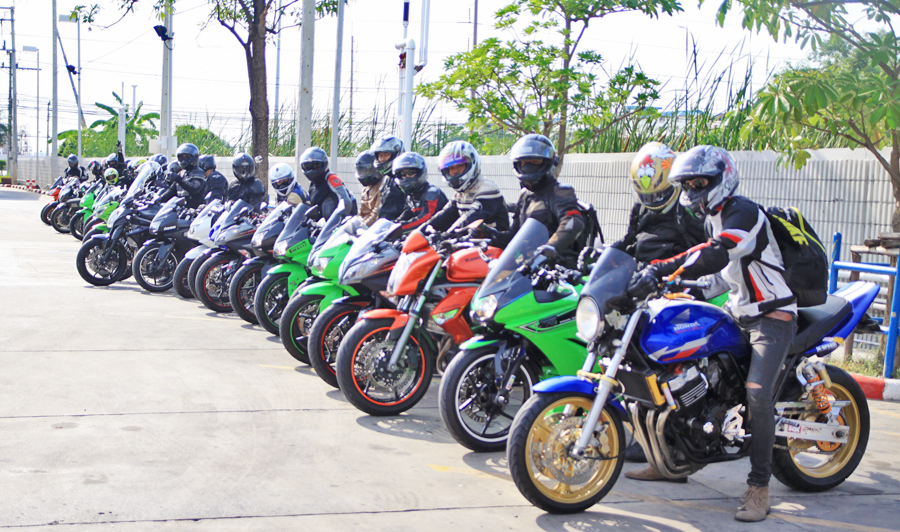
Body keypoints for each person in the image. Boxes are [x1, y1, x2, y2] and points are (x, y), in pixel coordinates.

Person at [626, 145, 797, 523]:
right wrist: (677, 287)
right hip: (737, 313)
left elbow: (717, 253)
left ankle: (759, 487)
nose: (692, 191)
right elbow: (721, 277)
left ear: (723, 178)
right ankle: (671, 463)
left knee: (757, 394)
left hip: (772, 317)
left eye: (700, 183)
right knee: (674, 373)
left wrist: (661, 268)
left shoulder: (744, 213)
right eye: (688, 185)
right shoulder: (713, 219)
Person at [483, 134, 585, 268]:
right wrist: (487, 234)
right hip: (527, 266)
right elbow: (514, 236)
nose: (528, 166)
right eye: (523, 162)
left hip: (556, 268)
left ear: (548, 161)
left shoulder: (560, 191)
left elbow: (573, 222)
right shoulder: (525, 195)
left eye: (535, 161)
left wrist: (549, 248)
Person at [425, 141, 509, 233]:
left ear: (472, 163)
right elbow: (445, 214)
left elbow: (470, 217)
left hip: (496, 240)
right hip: (474, 239)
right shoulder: (461, 193)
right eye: (451, 168)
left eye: (460, 165)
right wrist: (420, 231)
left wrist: (447, 234)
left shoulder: (486, 187)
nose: (455, 171)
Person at [392, 152, 448, 231]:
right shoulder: (411, 197)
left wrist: (399, 228)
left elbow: (425, 219)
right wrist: (390, 225)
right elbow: (405, 216)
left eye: (410, 173)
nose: (406, 178)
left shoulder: (432, 193)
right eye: (403, 174)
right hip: (426, 235)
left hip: (444, 235)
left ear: (420, 172)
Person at [299, 146, 355, 220]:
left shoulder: (331, 178)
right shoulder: (313, 184)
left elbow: (345, 202)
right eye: (308, 167)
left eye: (315, 166)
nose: (311, 170)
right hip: (321, 224)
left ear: (323, 163)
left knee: (327, 204)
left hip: (336, 223)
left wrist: (341, 219)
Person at [158, 143, 208, 208]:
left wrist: (178, 178)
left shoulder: (199, 172)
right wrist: (159, 199)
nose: (184, 160)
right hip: (182, 210)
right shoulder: (181, 173)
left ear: (194, 157)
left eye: (187, 157)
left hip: (196, 211)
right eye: (181, 157)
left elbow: (195, 188)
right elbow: (171, 191)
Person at [369, 136, 406, 222]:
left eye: (386, 155)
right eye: (380, 155)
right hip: (385, 225)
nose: (382, 159)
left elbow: (408, 209)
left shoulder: (403, 180)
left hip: (398, 226)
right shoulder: (386, 179)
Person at [355, 150, 393, 226]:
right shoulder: (365, 190)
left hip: (374, 228)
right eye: (362, 170)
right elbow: (359, 213)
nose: (364, 173)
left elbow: (376, 215)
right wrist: (357, 225)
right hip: (363, 228)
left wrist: (363, 226)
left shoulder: (383, 186)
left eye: (367, 170)